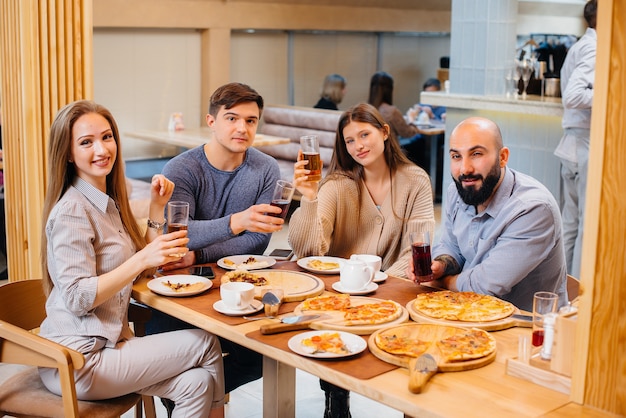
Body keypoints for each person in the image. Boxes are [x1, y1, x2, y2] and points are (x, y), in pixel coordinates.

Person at [38, 100, 225, 418]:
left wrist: (156, 208)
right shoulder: (73, 210)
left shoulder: (103, 202)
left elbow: (142, 268)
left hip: (107, 346)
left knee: (197, 383)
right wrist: (141, 260)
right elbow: (77, 297)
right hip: (78, 359)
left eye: (107, 137)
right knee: (206, 342)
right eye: (86, 142)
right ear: (69, 153)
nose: (101, 149)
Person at [289, 102, 435, 418]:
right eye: (350, 141)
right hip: (339, 293)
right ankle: (336, 396)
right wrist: (309, 197)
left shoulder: (415, 180)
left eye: (364, 134)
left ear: (385, 132)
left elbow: (418, 249)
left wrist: (376, 287)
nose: (358, 146)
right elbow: (308, 251)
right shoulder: (337, 184)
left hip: (394, 286)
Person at [145, 82, 282, 411]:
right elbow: (179, 236)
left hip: (236, 283)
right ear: (211, 121)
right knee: (174, 359)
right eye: (232, 118)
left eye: (251, 121)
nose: (242, 128)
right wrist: (236, 222)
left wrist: (199, 253)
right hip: (179, 287)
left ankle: (200, 397)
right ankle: (195, 399)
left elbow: (259, 240)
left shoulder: (266, 169)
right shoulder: (182, 169)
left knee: (268, 354)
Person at [408, 116, 568, 312]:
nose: (465, 169)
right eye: (456, 156)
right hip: (466, 313)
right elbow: (450, 245)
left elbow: (485, 286)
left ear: (503, 157)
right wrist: (440, 266)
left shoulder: (534, 209)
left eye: (476, 154)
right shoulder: (457, 191)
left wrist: (442, 282)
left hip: (526, 327)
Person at [553, 0, 597, 279]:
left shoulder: (580, 45)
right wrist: (613, 94)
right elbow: (573, 95)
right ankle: (581, 295)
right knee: (586, 224)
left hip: (571, 142)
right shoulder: (596, 48)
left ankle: (564, 292)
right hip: (584, 143)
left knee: (571, 223)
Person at [367, 71, 429, 168]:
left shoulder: (368, 109)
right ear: (390, 89)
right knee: (420, 141)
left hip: (375, 154)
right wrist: (411, 120)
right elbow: (407, 133)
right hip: (391, 154)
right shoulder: (392, 111)